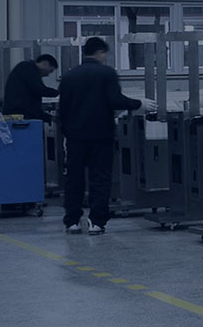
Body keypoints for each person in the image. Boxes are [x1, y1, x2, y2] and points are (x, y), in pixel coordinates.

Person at [57, 37, 142, 235]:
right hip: (101, 135)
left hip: (75, 136)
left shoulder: (69, 75)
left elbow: (63, 109)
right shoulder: (106, 73)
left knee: (74, 178)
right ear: (100, 52)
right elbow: (115, 100)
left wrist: (67, 132)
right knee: (100, 178)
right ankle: (96, 222)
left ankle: (72, 221)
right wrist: (138, 104)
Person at [1, 54, 58, 120]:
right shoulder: (27, 68)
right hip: (19, 116)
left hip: (18, 115)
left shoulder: (26, 69)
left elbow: (32, 102)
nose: (48, 74)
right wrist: (57, 92)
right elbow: (38, 90)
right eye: (50, 71)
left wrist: (48, 117)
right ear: (45, 64)